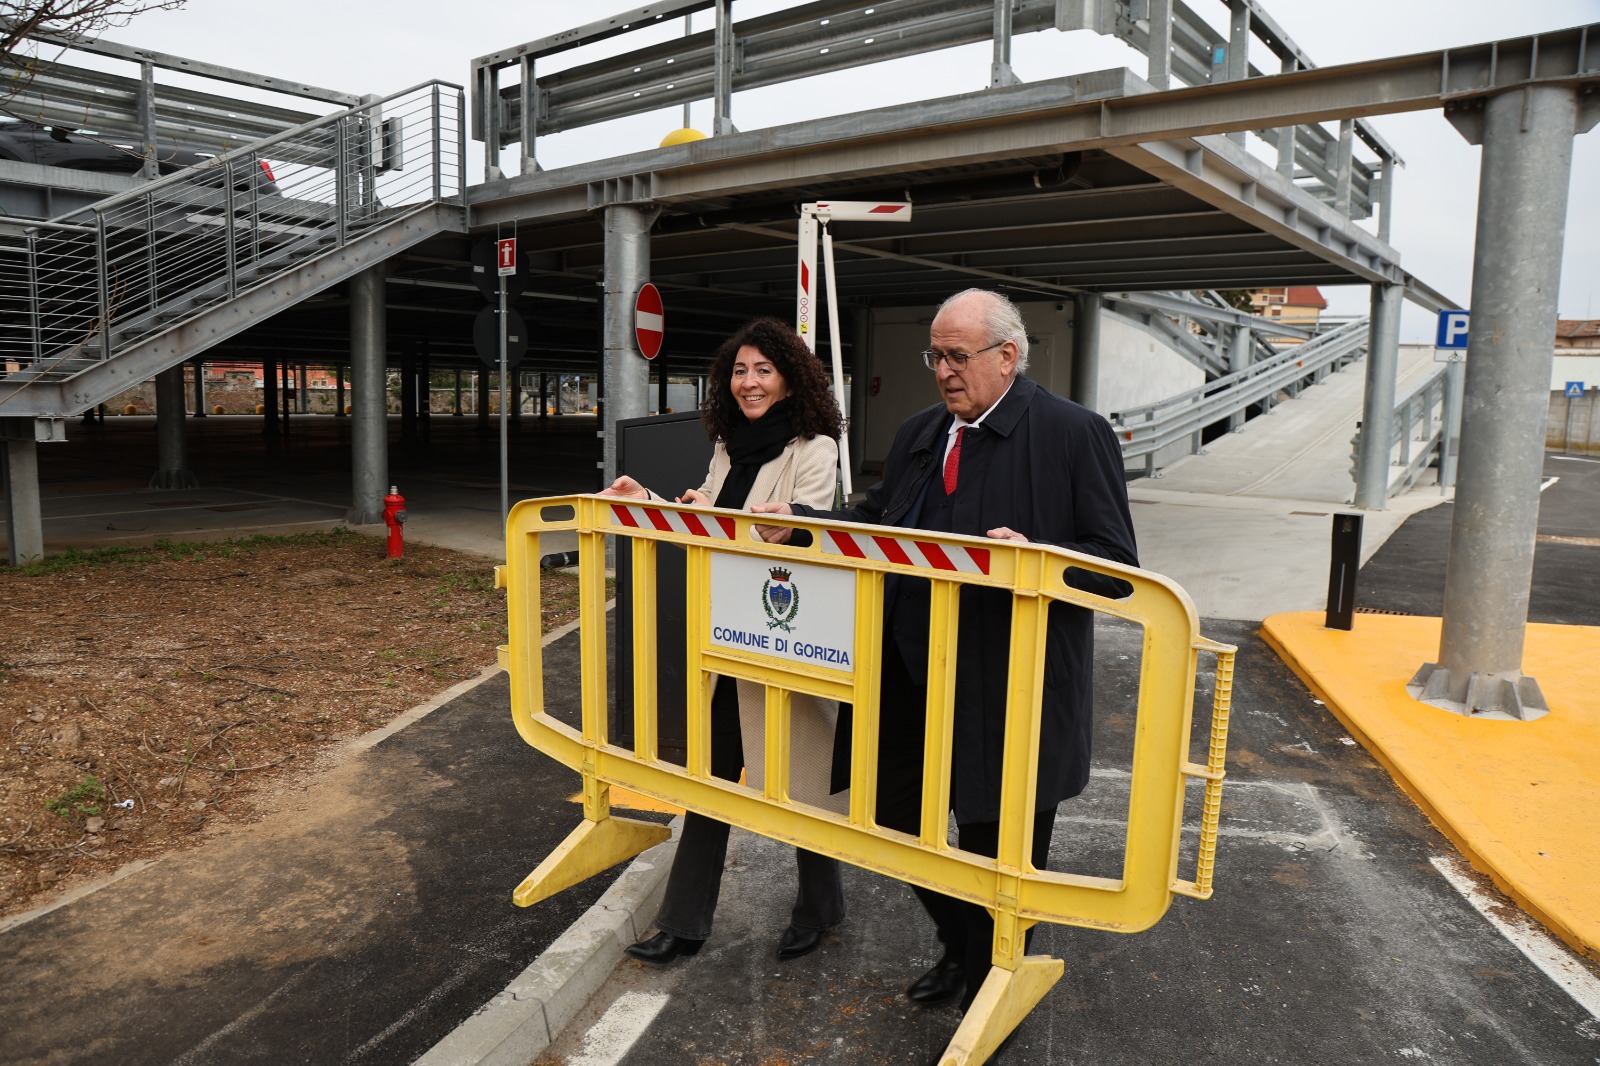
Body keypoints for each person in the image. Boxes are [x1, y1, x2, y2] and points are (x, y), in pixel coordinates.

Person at [752, 288, 1139, 1018]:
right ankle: (964, 948)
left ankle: (993, 990)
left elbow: (1117, 566)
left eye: (958, 356)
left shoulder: (1073, 433)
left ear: (1008, 356)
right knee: (892, 822)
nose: (943, 371)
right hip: (906, 676)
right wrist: (802, 522)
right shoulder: (921, 432)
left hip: (1010, 690)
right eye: (935, 356)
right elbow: (878, 518)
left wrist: (1039, 558)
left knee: (1001, 854)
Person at [600, 316, 849, 965]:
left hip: (786, 638)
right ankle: (683, 924)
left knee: (804, 777)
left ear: (790, 378)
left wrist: (781, 527)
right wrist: (648, 499)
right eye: (740, 370)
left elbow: (809, 534)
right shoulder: (728, 446)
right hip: (730, 639)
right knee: (710, 780)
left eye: (763, 369)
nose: (749, 382)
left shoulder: (814, 448)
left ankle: (820, 907)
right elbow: (706, 518)